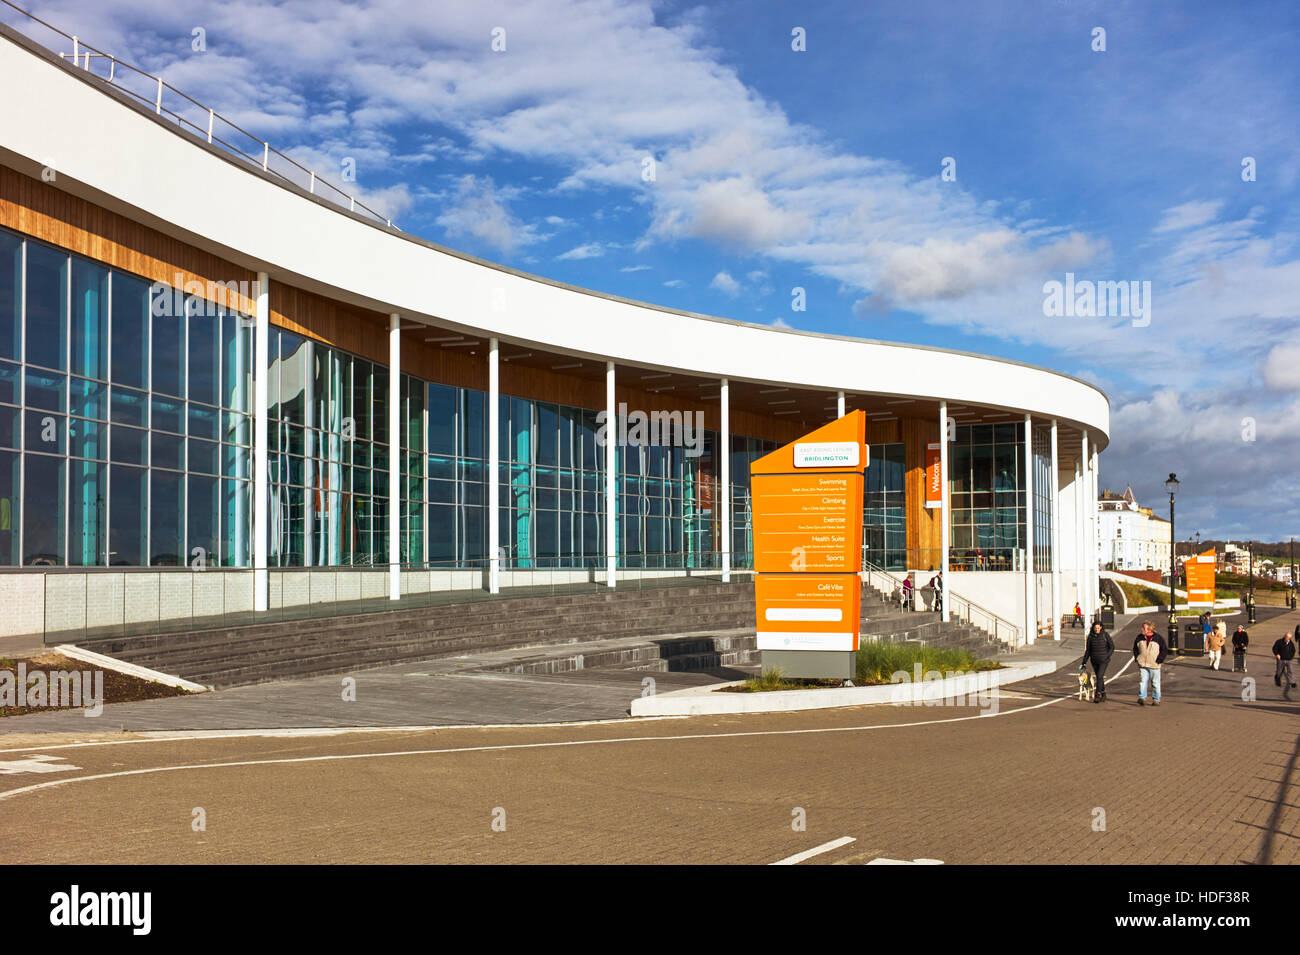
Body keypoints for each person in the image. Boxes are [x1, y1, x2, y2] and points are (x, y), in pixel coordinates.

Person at [1133, 621, 1169, 706]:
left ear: (1149, 629)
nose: (1142, 629)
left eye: (1144, 628)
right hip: (1143, 664)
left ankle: (1156, 699)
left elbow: (1164, 650)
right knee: (1143, 681)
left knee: (1155, 683)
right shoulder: (1139, 637)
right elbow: (1135, 648)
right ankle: (1142, 697)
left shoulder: (1158, 638)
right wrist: (1137, 658)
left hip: (1154, 664)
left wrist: (1159, 660)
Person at [1078, 621, 1114, 703]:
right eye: (1095, 628)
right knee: (1099, 677)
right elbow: (1088, 651)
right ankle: (1103, 693)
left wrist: (1107, 656)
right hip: (1094, 660)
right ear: (1093, 628)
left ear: (1101, 627)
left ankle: (1098, 694)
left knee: (1100, 676)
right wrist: (1084, 662)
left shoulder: (1105, 635)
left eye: (1098, 628)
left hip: (1104, 660)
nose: (1097, 630)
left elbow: (1112, 647)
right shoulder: (1090, 637)